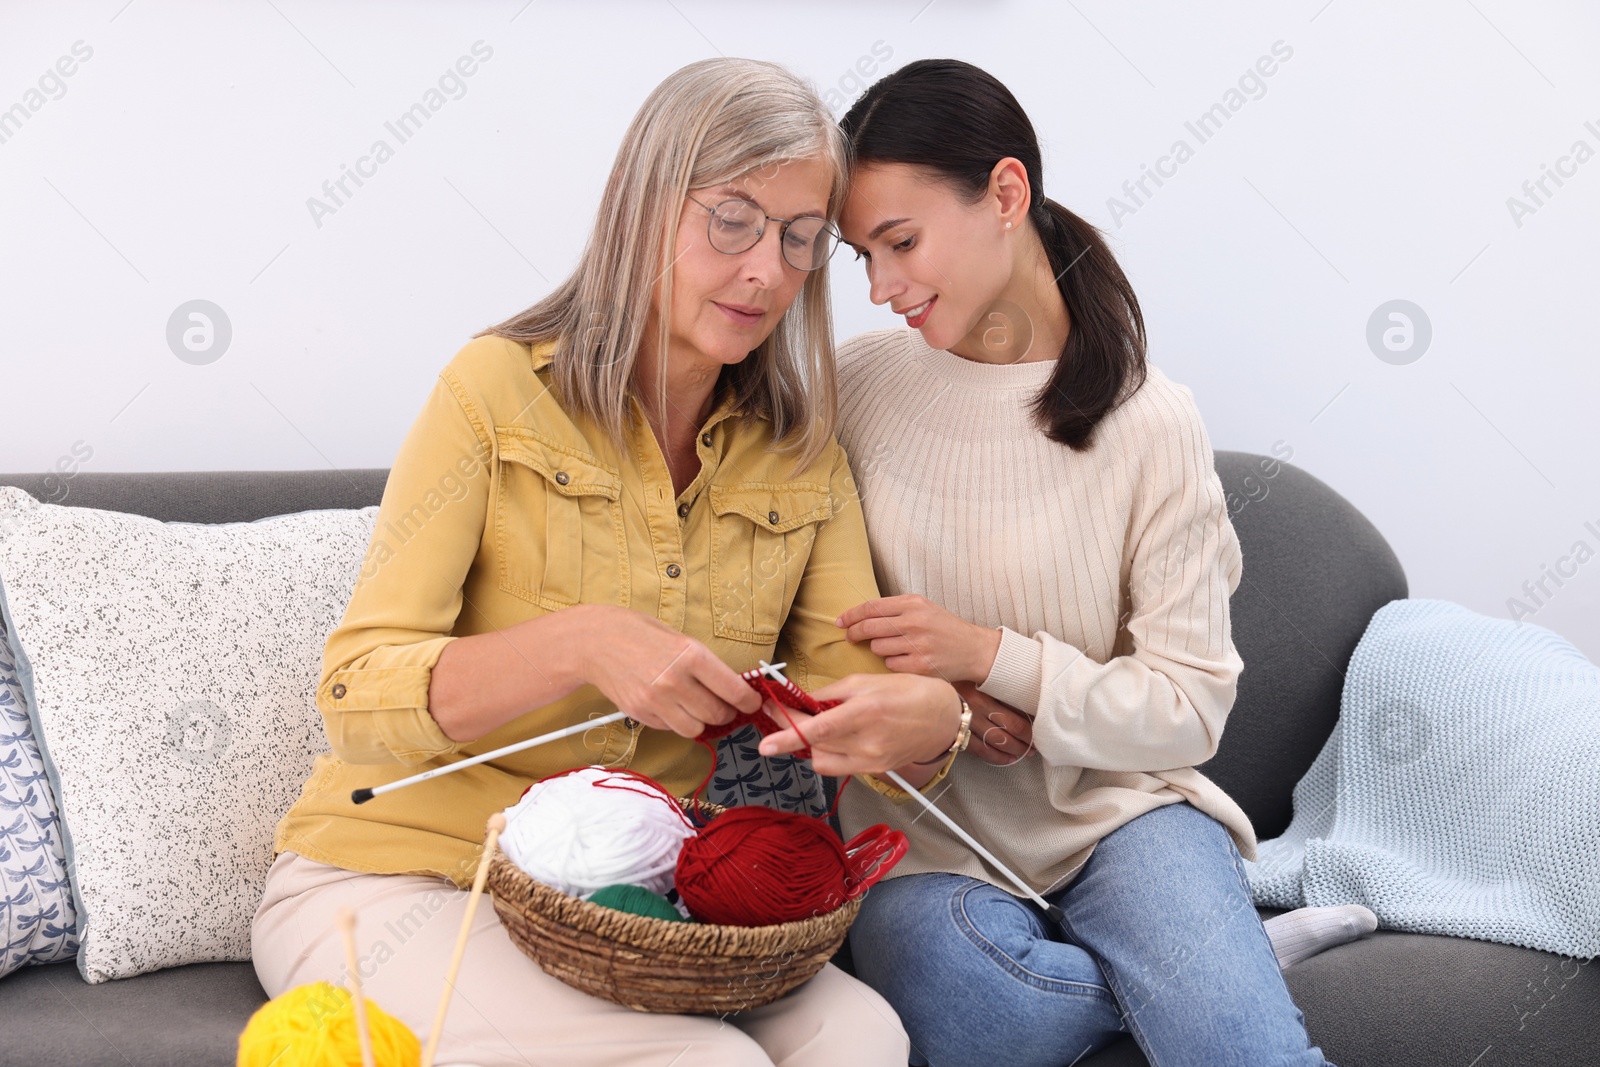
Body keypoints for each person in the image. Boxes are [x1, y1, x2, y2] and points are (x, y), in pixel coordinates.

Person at [252, 57, 960, 1067]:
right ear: (644, 204)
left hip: (630, 915)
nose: (767, 269)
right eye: (732, 220)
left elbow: (854, 702)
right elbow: (354, 693)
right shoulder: (494, 390)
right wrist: (581, 642)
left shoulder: (800, 453)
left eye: (801, 239)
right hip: (402, 880)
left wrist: (926, 726)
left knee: (862, 1037)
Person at [755, 59, 1369, 1066]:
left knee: (1246, 1050)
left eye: (900, 243)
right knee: (986, 1014)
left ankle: (1213, 975)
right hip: (921, 835)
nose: (879, 286)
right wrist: (946, 699)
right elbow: (784, 597)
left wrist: (992, 655)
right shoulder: (856, 386)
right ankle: (1210, 966)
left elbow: (1187, 708)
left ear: (1005, 194)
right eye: (861, 255)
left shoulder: (1149, 424)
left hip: (1119, 813)